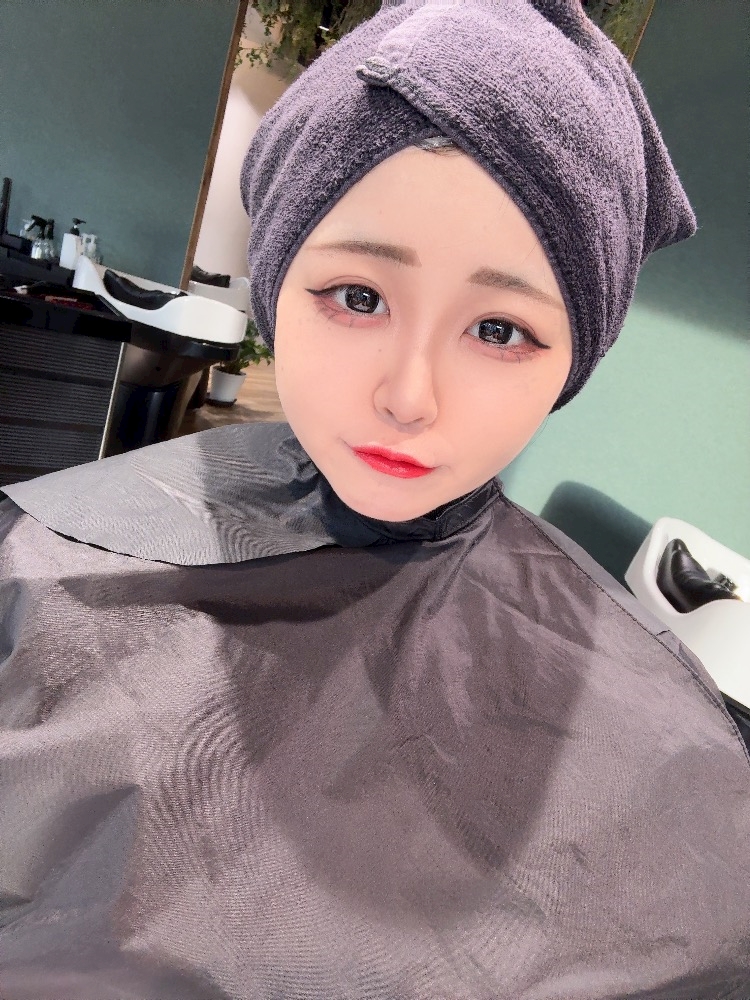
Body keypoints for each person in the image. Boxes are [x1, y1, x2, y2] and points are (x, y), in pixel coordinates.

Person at [0, 1, 748, 997]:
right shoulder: (32, 571)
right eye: (359, 298)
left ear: (576, 357)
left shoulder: (680, 761)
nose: (408, 395)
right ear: (277, 286)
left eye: (499, 330)